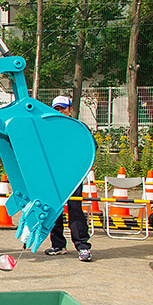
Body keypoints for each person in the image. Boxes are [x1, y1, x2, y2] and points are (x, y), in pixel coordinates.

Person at [43, 96, 93, 262]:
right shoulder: (47, 127)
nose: (59, 111)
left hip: (73, 174)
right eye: (56, 108)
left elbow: (91, 148)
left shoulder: (79, 127)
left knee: (75, 207)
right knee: (54, 209)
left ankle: (82, 246)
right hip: (54, 175)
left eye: (63, 108)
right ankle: (58, 245)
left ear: (70, 109)